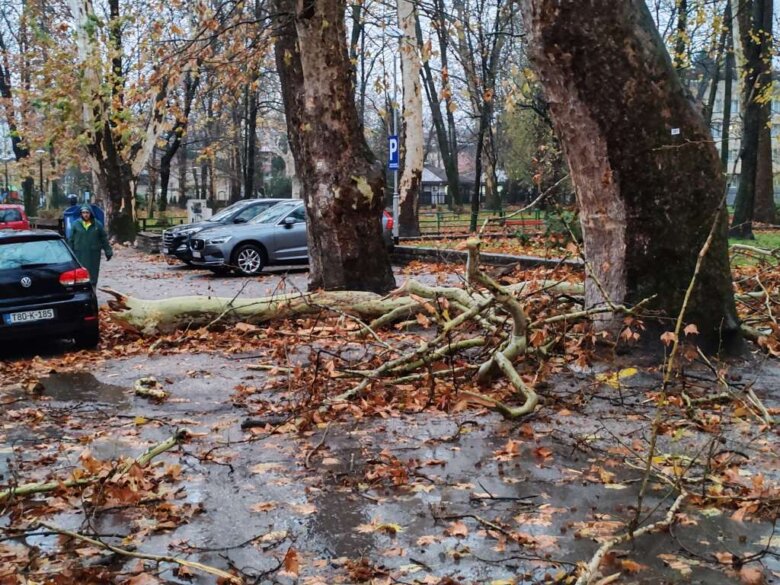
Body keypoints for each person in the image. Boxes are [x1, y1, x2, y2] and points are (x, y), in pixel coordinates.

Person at [68, 205, 113, 286]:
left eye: (87, 213)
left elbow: (104, 239)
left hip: (93, 254)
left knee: (93, 272)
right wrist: (70, 254)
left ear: (90, 213)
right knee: (81, 272)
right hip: (79, 253)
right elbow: (71, 240)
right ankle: (81, 289)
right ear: (81, 214)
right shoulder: (76, 224)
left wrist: (108, 251)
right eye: (83, 213)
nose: (85, 215)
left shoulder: (97, 224)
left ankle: (93, 289)